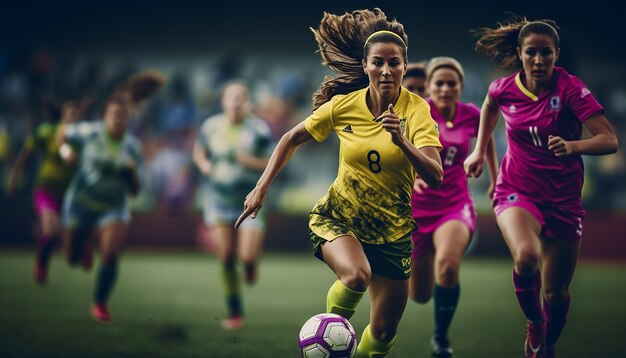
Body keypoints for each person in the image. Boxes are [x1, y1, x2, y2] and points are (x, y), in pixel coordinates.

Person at [236, 8, 443, 357]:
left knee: (383, 333)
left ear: (405, 66)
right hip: (339, 217)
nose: (386, 70)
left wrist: (403, 141)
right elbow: (290, 138)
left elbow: (435, 176)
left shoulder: (417, 111)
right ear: (365, 67)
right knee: (356, 276)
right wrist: (262, 186)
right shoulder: (342, 106)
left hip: (392, 231)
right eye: (378, 62)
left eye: (395, 63)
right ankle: (330, 334)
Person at [466, 17, 618, 358]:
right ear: (520, 53)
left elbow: (609, 139)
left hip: (563, 200)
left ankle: (547, 344)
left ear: (556, 54)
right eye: (531, 52)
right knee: (525, 256)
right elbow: (490, 106)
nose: (538, 60)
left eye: (546, 53)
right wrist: (479, 150)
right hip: (516, 190)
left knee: (556, 293)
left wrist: (574, 145)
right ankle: (534, 323)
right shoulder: (503, 88)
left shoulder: (570, 89)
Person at [409, 57, 498, 357]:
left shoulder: (472, 114)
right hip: (416, 211)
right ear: (429, 87)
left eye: (452, 83)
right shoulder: (417, 113)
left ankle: (441, 339)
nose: (445, 88)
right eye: (439, 83)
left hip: (454, 205)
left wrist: (494, 177)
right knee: (419, 295)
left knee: (447, 267)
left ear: (460, 86)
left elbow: (487, 140)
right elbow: (395, 149)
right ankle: (433, 274)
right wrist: (411, 178)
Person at [59, 72, 164, 323]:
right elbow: (62, 133)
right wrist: (64, 151)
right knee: (71, 258)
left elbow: (136, 191)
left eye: (123, 116)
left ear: (128, 119)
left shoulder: (132, 147)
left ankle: (100, 303)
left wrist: (130, 175)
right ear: (105, 116)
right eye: (114, 115)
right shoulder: (89, 132)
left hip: (113, 207)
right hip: (81, 202)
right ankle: (83, 243)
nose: (119, 120)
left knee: (110, 253)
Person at [193, 81, 275, 330]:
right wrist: (204, 164)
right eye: (232, 97)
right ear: (224, 101)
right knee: (226, 257)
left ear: (248, 102)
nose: (237, 101)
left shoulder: (259, 130)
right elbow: (199, 151)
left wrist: (249, 161)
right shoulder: (211, 126)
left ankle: (250, 266)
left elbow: (273, 162)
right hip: (218, 201)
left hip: (250, 203)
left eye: (242, 97)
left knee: (247, 256)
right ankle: (235, 312)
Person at [7, 100, 83, 283]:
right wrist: (14, 176)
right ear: (63, 114)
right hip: (46, 190)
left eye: (76, 112)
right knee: (50, 229)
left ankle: (81, 250)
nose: (73, 116)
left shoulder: (83, 138)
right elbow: (26, 152)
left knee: (72, 240)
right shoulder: (47, 132)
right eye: (69, 112)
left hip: (70, 196)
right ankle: (41, 263)